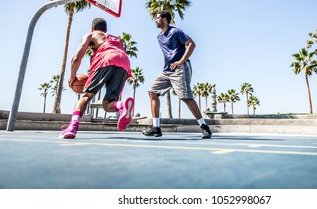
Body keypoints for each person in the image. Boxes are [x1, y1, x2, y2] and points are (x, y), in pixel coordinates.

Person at [59, 18, 134, 139]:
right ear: (106, 29)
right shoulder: (115, 38)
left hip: (106, 59)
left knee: (86, 96)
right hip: (124, 62)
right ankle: (121, 105)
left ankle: (72, 127)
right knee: (107, 104)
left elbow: (76, 58)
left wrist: (72, 76)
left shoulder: (91, 34)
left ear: (92, 28)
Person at [143, 10, 212, 139]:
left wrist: (181, 61)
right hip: (167, 70)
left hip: (180, 68)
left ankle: (204, 127)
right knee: (152, 92)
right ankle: (156, 127)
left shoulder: (175, 32)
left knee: (185, 97)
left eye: (157, 18)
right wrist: (165, 67)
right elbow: (166, 53)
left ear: (164, 19)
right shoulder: (159, 37)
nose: (155, 21)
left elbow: (192, 44)